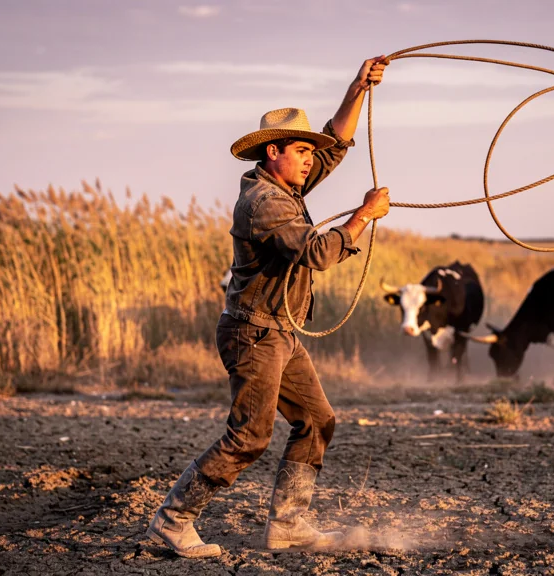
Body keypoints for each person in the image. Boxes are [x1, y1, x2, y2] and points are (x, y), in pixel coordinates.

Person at [146, 57, 391, 558]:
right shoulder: (265, 203)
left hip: (277, 333)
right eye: (301, 151)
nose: (310, 160)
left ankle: (289, 526)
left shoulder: (287, 185)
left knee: (317, 421)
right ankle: (171, 522)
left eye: (309, 153)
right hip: (253, 335)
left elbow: (336, 143)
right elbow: (320, 254)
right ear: (273, 151)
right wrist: (364, 215)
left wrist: (357, 89)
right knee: (249, 438)